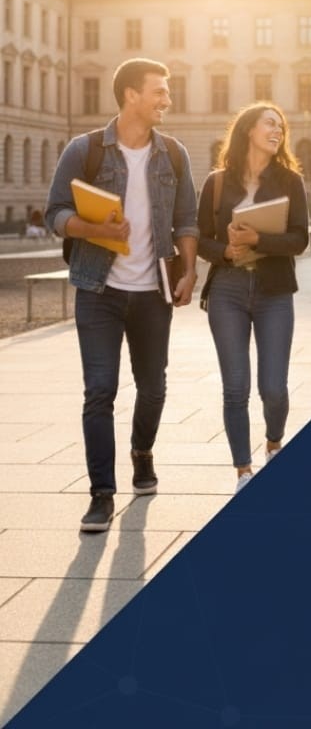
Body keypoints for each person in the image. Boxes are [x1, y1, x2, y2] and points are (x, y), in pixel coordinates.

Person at [45, 58, 198, 533]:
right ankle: (101, 495)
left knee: (154, 387)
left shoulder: (173, 153)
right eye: (160, 91)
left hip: (152, 289)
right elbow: (55, 213)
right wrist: (92, 227)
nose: (167, 99)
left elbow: (187, 220)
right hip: (98, 288)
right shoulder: (85, 150)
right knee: (100, 391)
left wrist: (189, 270)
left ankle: (142, 451)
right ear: (132, 94)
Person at [197, 104, 309, 492]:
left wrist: (257, 240)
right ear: (247, 130)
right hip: (227, 288)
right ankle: (243, 471)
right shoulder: (216, 183)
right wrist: (226, 252)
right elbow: (200, 239)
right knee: (235, 387)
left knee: (273, 387)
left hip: (274, 290)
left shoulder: (290, 181)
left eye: (281, 125)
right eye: (269, 123)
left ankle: (275, 443)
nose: (277, 129)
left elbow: (299, 239)